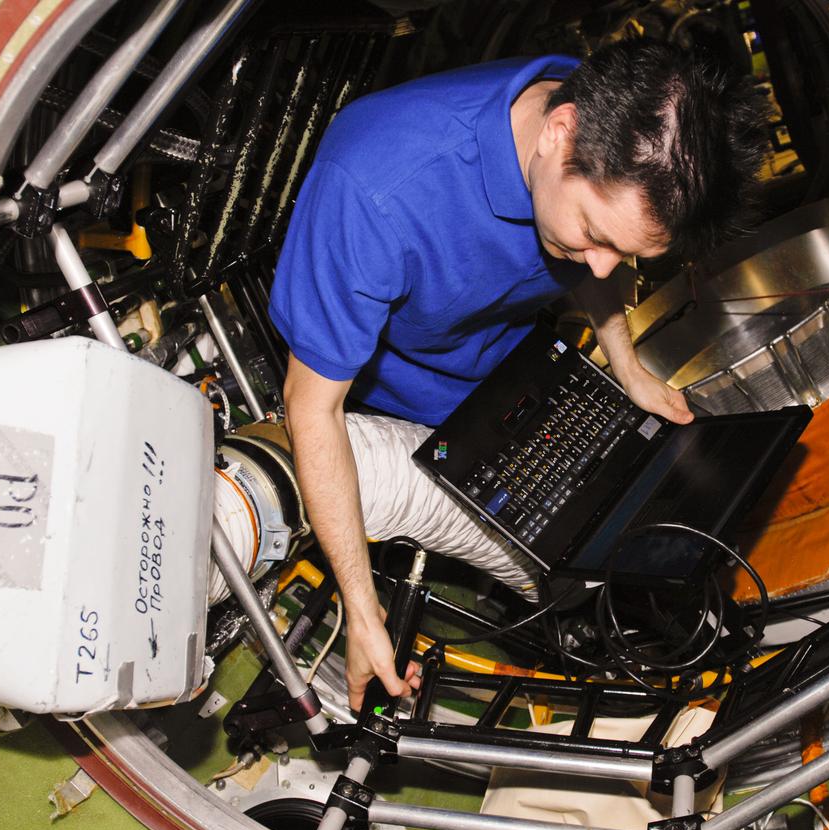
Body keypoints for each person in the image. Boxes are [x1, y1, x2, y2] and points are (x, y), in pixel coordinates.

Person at [269, 38, 770, 710]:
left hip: (513, 363)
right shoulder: (374, 190)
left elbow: (597, 265)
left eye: (625, 253)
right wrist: (361, 613)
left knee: (646, 497)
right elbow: (309, 410)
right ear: (559, 136)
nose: (599, 269)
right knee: (566, 567)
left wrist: (626, 364)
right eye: (593, 232)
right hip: (403, 405)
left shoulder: (582, 100)